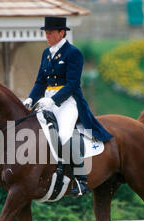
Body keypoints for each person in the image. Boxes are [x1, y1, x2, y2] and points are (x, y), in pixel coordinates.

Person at [23, 16, 113, 196]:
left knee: (63, 136)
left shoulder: (73, 53)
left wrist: (54, 100)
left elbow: (72, 83)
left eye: (50, 33)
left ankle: (80, 180)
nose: (47, 36)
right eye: (46, 33)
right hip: (47, 101)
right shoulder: (46, 54)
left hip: (68, 102)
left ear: (61, 32)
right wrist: (30, 99)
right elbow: (40, 82)